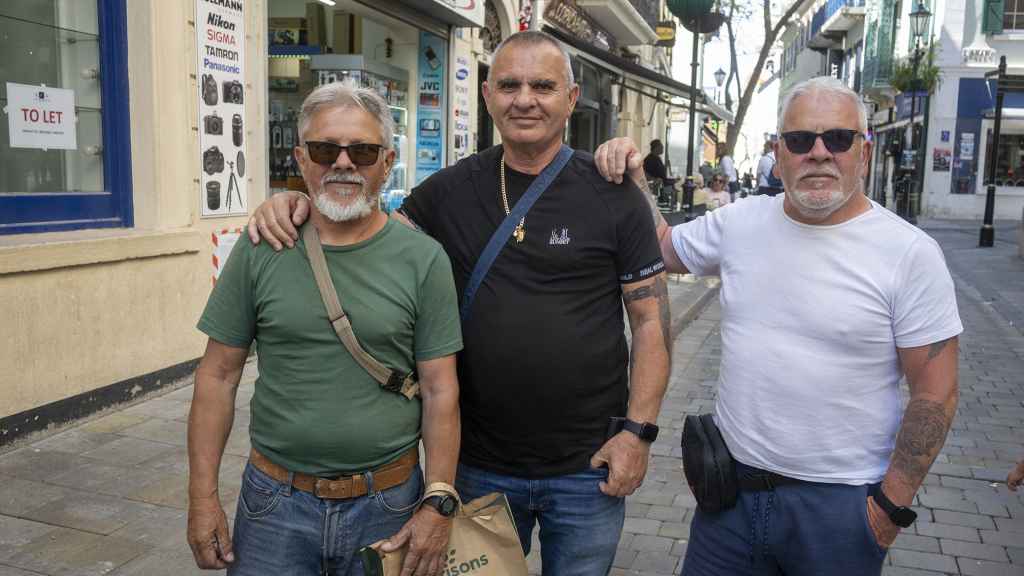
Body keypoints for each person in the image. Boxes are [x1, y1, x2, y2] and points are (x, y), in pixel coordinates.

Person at [247, 31, 671, 576]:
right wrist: (296, 202)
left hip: (589, 466)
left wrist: (637, 434)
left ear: (570, 98)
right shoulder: (447, 191)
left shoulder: (612, 193)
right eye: (510, 85)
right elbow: (361, 230)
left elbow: (651, 321)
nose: (525, 99)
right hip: (478, 465)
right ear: (489, 95)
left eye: (542, 85)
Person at [595, 76, 961, 576]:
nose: (818, 153)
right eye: (799, 140)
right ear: (779, 151)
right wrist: (632, 172)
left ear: (864, 151)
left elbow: (935, 393)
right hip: (729, 499)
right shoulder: (741, 223)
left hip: (839, 510)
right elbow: (659, 247)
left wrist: (888, 509)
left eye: (837, 139)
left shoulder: (910, 254)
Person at [187, 82, 464, 576]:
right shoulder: (261, 247)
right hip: (274, 505)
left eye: (361, 150)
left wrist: (437, 501)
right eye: (323, 149)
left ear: (387, 160)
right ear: (300, 158)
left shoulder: (424, 259)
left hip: (389, 505)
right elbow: (217, 377)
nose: (342, 163)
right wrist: (202, 497)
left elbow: (441, 390)